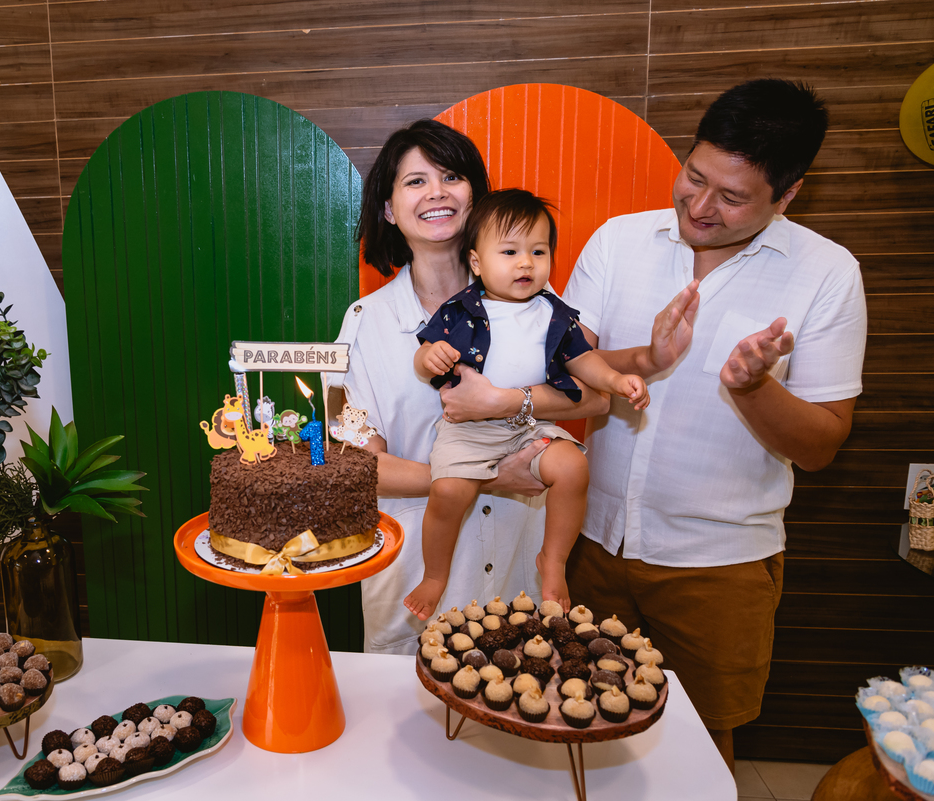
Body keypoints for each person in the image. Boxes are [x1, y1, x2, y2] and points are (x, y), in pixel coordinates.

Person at [560, 79, 867, 770]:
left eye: (731, 198)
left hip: (720, 564)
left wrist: (753, 387)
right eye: (693, 177)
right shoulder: (620, 241)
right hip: (592, 540)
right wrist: (642, 357)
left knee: (697, 752)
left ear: (788, 195)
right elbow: (565, 371)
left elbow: (822, 444)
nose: (700, 207)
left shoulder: (827, 274)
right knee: (571, 718)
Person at [329, 120, 609, 654]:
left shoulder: (536, 301)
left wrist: (511, 401)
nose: (436, 192)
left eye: (451, 176)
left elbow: (595, 395)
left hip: (514, 571)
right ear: (389, 208)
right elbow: (359, 465)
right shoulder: (366, 322)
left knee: (513, 716)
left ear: (474, 196)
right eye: (415, 182)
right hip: (415, 583)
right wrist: (488, 476)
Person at [402, 190, 647, 620]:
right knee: (446, 491)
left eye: (538, 251)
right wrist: (430, 358)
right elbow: (424, 355)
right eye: (510, 251)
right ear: (477, 262)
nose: (526, 263)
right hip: (470, 431)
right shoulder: (460, 310)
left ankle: (551, 561)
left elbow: (584, 360)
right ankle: (435, 575)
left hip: (530, 426)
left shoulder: (554, 313)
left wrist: (615, 379)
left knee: (573, 467)